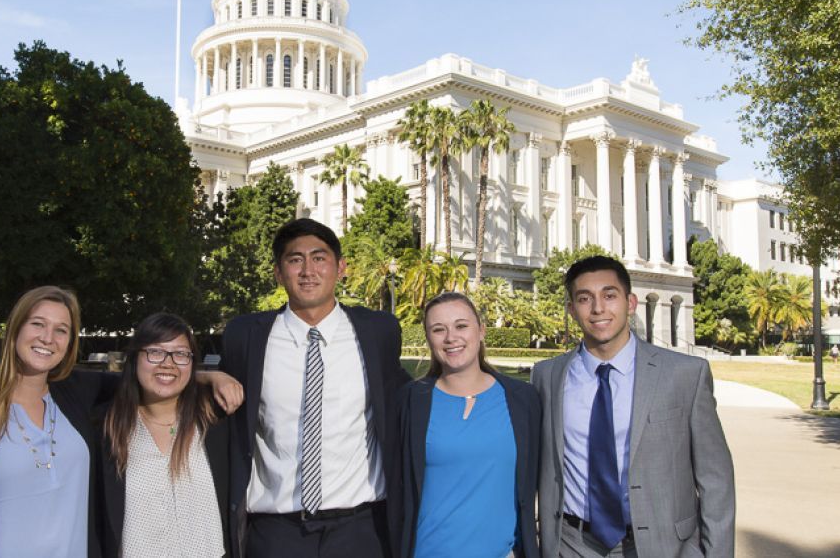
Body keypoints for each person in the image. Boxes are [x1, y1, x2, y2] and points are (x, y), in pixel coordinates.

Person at [0, 286, 242, 557]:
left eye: (61, 330)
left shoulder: (76, 396)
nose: (47, 338)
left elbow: (148, 377)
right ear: (14, 330)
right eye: (37, 324)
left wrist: (208, 375)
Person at [220, 218, 411, 558]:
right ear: (278, 273)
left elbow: (411, 396)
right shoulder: (246, 336)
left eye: (319, 258)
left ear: (341, 268)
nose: (308, 270)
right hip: (276, 532)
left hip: (361, 531)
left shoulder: (378, 331)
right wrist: (207, 377)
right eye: (295, 260)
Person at [531, 256, 734, 557]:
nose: (598, 308)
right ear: (571, 309)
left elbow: (715, 477)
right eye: (585, 299)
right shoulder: (546, 376)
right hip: (572, 544)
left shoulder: (685, 374)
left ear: (631, 302)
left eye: (609, 295)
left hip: (663, 546)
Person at [396, 292, 540, 558]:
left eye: (461, 326)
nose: (451, 337)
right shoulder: (411, 401)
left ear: (481, 331)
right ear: (429, 338)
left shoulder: (523, 399)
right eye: (439, 329)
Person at [97, 313, 230, 557]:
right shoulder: (107, 427)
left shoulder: (215, 421)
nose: (168, 363)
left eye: (180, 354)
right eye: (155, 352)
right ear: (136, 357)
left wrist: (213, 376)